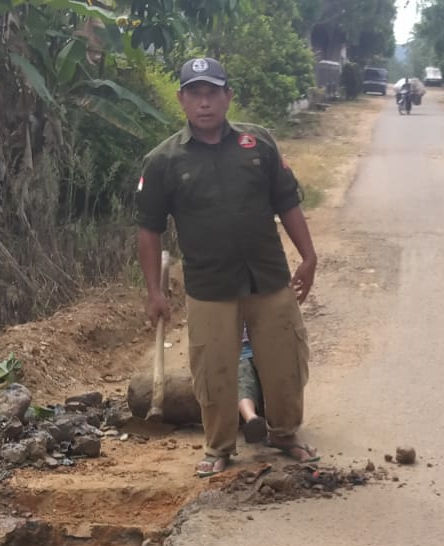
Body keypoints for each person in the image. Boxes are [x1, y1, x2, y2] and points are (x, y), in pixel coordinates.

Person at [136, 57, 319, 477]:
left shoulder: (259, 145)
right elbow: (148, 230)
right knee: (213, 369)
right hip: (209, 285)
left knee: (285, 359)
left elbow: (287, 203)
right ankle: (219, 447)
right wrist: (154, 292)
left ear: (227, 97)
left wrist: (308, 256)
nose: (204, 102)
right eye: (195, 94)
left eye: (212, 93)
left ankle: (285, 434)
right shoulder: (163, 161)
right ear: (182, 100)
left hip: (269, 277)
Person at [237, 326, 268, 444]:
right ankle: (251, 418)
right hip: (241, 353)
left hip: (265, 350)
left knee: (245, 381)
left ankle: (256, 420)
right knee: (244, 379)